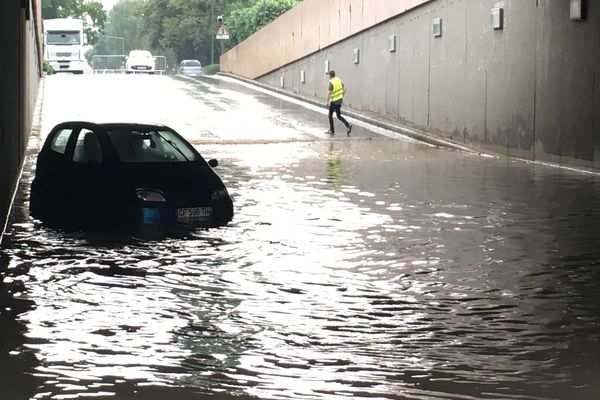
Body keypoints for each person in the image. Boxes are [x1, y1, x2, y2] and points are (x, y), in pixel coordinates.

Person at [325, 70, 352, 136]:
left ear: (330, 75)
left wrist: (327, 102)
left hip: (334, 101)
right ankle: (348, 126)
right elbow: (342, 86)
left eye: (329, 75)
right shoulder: (338, 79)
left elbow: (329, 93)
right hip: (339, 100)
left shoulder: (331, 82)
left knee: (330, 115)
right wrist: (342, 94)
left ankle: (332, 130)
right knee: (338, 115)